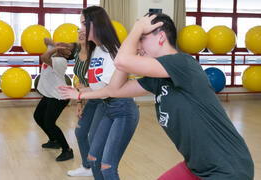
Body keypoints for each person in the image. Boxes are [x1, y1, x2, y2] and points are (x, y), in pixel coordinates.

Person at [59, 13, 254, 180]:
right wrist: (79, 94)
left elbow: (122, 61)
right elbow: (114, 90)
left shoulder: (182, 63)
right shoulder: (157, 79)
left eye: (142, 39)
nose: (138, 45)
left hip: (228, 168)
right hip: (197, 166)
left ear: (161, 37)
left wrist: (135, 30)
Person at [61, 6, 139, 180]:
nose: (80, 29)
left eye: (83, 24)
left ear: (95, 25)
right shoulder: (96, 50)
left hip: (123, 110)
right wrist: (77, 90)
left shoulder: (113, 51)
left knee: (107, 167)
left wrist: (79, 96)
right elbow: (99, 87)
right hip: (107, 107)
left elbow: (111, 90)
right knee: (93, 158)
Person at [67, 26, 104, 177]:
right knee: (80, 132)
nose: (81, 33)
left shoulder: (96, 53)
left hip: (102, 99)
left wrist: (86, 89)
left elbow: (102, 80)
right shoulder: (77, 52)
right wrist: (79, 104)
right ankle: (87, 166)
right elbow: (79, 81)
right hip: (88, 99)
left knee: (94, 136)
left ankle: (98, 169)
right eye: (79, 30)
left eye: (85, 31)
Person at [33, 38, 74, 161]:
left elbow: (44, 57)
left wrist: (56, 48)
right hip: (50, 94)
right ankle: (54, 140)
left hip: (59, 96)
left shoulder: (61, 61)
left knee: (50, 123)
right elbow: (45, 40)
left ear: (68, 54)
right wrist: (55, 44)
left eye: (68, 47)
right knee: (38, 116)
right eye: (65, 43)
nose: (64, 45)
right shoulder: (54, 52)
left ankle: (67, 150)